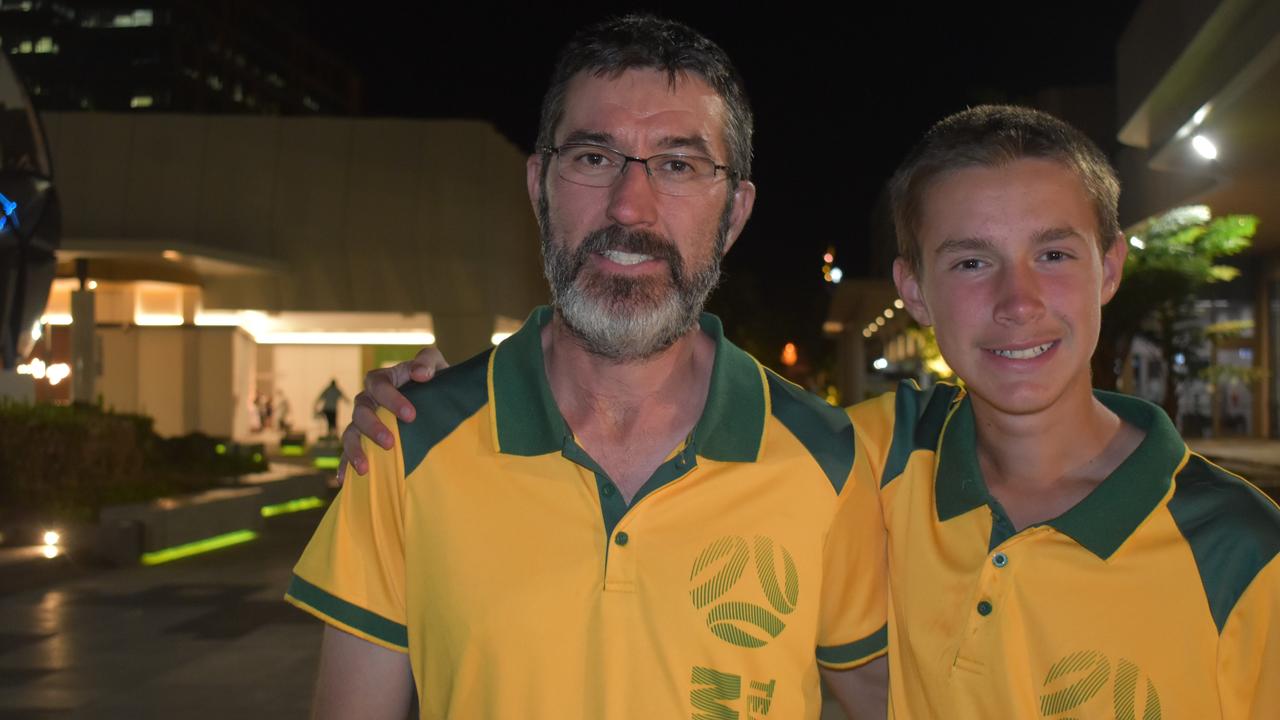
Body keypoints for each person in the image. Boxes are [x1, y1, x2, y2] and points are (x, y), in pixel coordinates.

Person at [350, 105, 1280, 717]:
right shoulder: (861, 456)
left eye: (1055, 254)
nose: (1017, 301)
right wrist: (428, 405)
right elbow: (674, 403)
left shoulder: (1239, 550)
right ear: (912, 290)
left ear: (1110, 266)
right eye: (969, 261)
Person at [288, 15, 888, 720]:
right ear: (541, 185)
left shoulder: (829, 460)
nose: (630, 206)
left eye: (678, 164)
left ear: (733, 214)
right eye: (594, 158)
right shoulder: (407, 442)